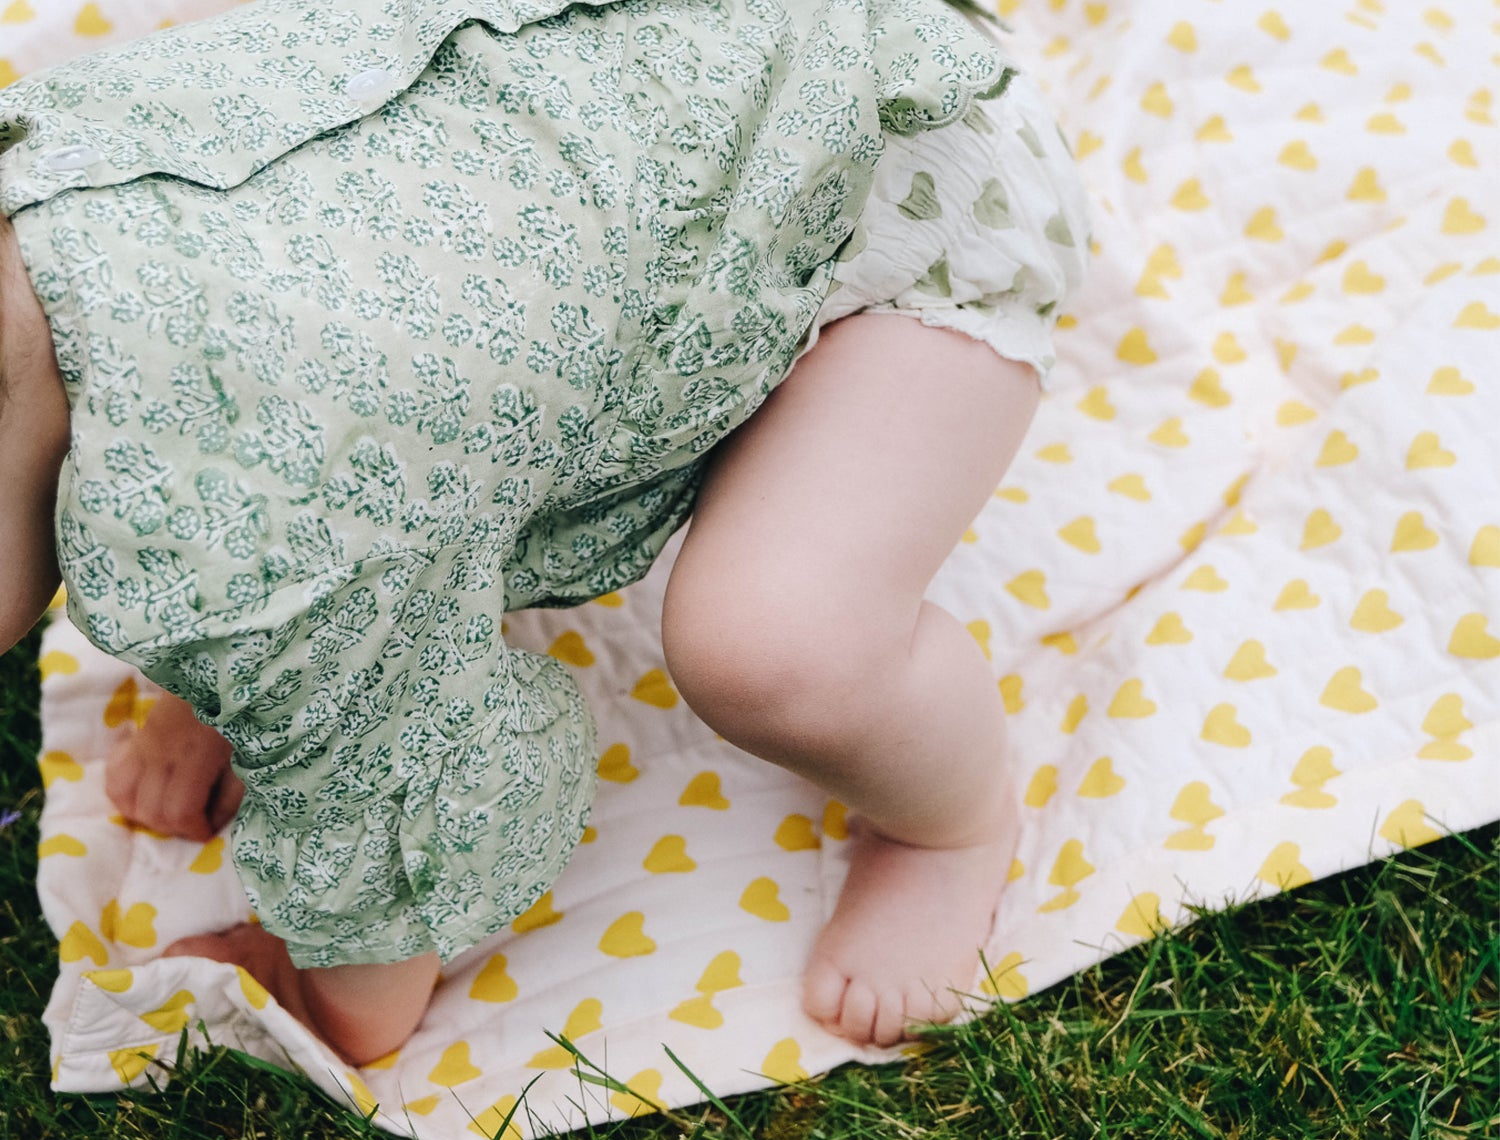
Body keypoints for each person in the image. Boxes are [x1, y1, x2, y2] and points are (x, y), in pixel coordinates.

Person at [0, 0, 1090, 1066]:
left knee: (773, 645)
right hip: (679, 120)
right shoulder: (48, 189)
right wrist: (232, 683)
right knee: (356, 511)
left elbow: (378, 763)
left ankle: (946, 829)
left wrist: (335, 998)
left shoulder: (277, 506)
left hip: (905, 178)